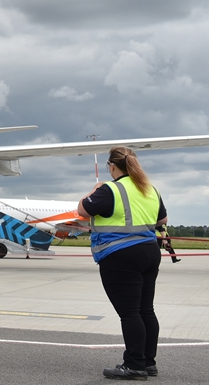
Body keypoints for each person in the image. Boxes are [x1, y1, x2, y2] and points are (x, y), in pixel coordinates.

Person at [77, 146, 166, 380]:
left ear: (112, 166)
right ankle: (148, 362)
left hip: (120, 255)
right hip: (149, 252)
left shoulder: (110, 189)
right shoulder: (150, 189)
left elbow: (82, 209)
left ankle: (134, 365)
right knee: (146, 309)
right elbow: (163, 219)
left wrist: (95, 189)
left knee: (129, 312)